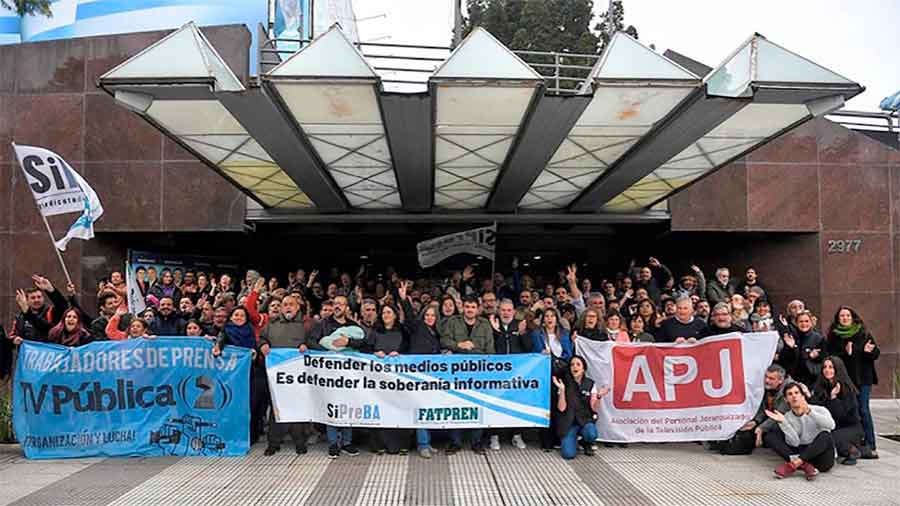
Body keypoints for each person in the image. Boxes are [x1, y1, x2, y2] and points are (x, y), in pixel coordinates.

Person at [303, 295, 362, 459]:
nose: (337, 306)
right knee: (332, 406)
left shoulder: (353, 326)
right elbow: (311, 341)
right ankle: (333, 444)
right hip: (329, 374)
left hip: (349, 375)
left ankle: (347, 442)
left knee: (348, 406)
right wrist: (327, 353)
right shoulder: (323, 324)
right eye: (335, 303)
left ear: (346, 308)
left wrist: (348, 342)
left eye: (341, 304)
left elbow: (364, 343)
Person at [439, 296, 494, 454]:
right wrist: (458, 345)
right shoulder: (453, 321)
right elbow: (444, 340)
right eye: (467, 306)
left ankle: (476, 442)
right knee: (455, 406)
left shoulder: (485, 325)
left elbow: (490, 349)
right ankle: (455, 442)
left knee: (478, 406)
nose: (470, 310)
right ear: (462, 307)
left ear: (477, 309)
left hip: (479, 373)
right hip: (457, 372)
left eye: (473, 307)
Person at [825, 306, 880, 458]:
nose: (845, 318)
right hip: (846, 380)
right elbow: (832, 358)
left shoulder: (863, 333)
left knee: (863, 409)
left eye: (848, 315)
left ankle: (870, 443)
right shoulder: (834, 336)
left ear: (853, 317)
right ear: (838, 319)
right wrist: (846, 353)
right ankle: (855, 442)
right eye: (842, 316)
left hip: (863, 379)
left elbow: (876, 353)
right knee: (851, 411)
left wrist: (869, 352)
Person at [260, 294, 310, 456]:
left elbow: (315, 342)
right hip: (277, 375)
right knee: (276, 408)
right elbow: (261, 338)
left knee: (298, 407)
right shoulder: (271, 324)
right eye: (285, 304)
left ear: (297, 307)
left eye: (291, 304)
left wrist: (306, 345)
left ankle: (300, 442)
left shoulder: (306, 325)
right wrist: (263, 345)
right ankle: (274, 442)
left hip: (299, 375)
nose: (288, 307)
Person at [397, 283, 442, 459]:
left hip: (431, 377)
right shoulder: (418, 328)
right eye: (428, 315)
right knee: (421, 409)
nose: (430, 318)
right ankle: (422, 444)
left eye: (433, 315)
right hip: (417, 376)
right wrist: (403, 298)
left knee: (428, 410)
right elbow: (409, 317)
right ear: (423, 316)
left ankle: (427, 442)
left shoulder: (435, 333)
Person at [213, 306, 267, 444]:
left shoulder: (250, 331)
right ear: (230, 317)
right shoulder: (226, 331)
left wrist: (255, 354)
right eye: (236, 315)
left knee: (251, 405)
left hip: (250, 373)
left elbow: (255, 348)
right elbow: (220, 341)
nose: (238, 318)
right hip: (232, 377)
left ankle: (252, 434)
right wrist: (218, 347)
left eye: (242, 315)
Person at [764, 382, 836, 480]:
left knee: (825, 435)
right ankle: (804, 465)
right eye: (790, 394)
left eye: (797, 393)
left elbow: (831, 426)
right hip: (802, 452)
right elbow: (795, 443)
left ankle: (795, 464)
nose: (794, 396)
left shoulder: (819, 410)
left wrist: (810, 412)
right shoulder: (787, 417)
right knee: (770, 436)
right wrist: (783, 422)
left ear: (802, 396)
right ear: (786, 399)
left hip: (821, 457)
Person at [366, 302, 412, 455]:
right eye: (384, 312)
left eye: (389, 312)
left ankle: (401, 445)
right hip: (378, 379)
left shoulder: (403, 331)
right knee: (380, 409)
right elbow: (366, 348)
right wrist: (374, 353)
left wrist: (400, 355)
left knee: (399, 408)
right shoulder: (375, 331)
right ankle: (379, 444)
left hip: (399, 379)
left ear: (395, 315)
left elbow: (409, 349)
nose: (386, 315)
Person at [488, 299, 530, 451]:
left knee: (516, 404)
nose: (506, 313)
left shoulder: (520, 324)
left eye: (508, 310)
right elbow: (491, 347)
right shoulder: (492, 324)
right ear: (499, 311)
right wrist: (496, 331)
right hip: (497, 373)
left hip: (517, 374)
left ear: (513, 311)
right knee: (496, 403)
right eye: (503, 310)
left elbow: (529, 348)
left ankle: (517, 435)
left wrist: (523, 333)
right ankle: (494, 436)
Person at [530, 307, 573, 451]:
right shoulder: (537, 334)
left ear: (557, 319)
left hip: (561, 374)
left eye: (552, 316)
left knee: (559, 407)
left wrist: (558, 360)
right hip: (544, 374)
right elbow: (535, 352)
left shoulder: (565, 334)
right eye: (546, 316)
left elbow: (568, 354)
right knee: (546, 407)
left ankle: (557, 438)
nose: (549, 319)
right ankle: (546, 441)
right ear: (542, 320)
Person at [552, 356, 608, 459]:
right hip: (569, 423)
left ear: (583, 369)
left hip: (584, 420)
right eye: (572, 364)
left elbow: (594, 408)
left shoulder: (590, 384)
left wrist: (599, 396)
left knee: (591, 433)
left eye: (578, 364)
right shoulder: (564, 383)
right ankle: (572, 439)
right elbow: (561, 408)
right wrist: (562, 391)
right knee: (568, 455)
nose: (575, 367)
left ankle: (585, 443)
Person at [811, 356, 864, 465]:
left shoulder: (847, 389)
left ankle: (852, 451)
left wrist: (833, 398)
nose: (827, 370)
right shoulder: (821, 386)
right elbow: (817, 408)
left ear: (837, 369)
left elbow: (842, 416)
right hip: (833, 426)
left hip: (850, 427)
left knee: (828, 439)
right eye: (825, 367)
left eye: (831, 367)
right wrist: (808, 396)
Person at [12, 275, 68, 344]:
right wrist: (14, 339)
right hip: (28, 354)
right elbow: (12, 335)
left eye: (39, 297)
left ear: (43, 298)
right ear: (27, 300)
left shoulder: (50, 312)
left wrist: (51, 290)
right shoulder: (20, 317)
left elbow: (63, 307)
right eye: (33, 298)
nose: (36, 300)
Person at [793, 311, 824, 387]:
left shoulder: (818, 338)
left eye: (806, 321)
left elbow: (823, 356)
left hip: (812, 378)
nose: (804, 324)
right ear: (796, 323)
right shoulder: (792, 337)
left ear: (811, 323)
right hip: (794, 377)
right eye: (801, 321)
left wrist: (813, 356)